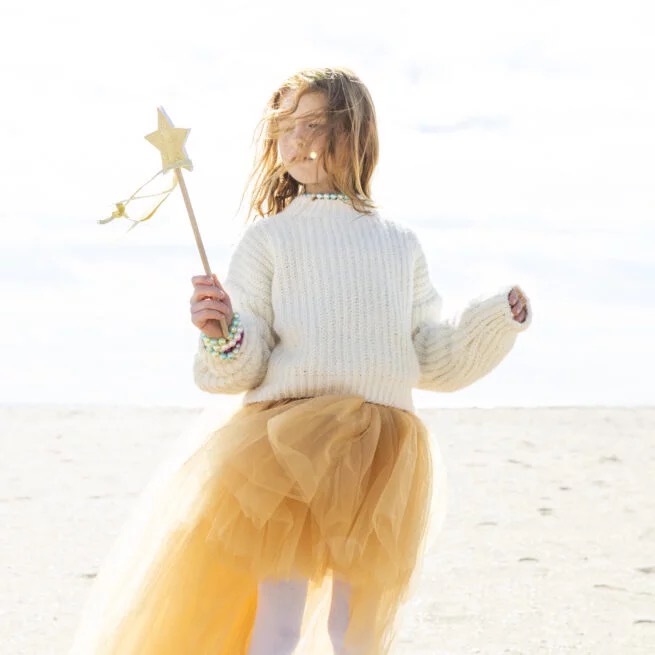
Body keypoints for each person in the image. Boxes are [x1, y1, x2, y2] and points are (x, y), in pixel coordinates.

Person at [70, 67, 531, 655]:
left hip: (380, 455)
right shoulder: (268, 240)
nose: (294, 139)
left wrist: (493, 319)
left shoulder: (399, 244)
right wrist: (224, 333)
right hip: (284, 450)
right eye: (285, 127)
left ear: (355, 133)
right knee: (280, 620)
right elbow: (248, 361)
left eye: (312, 124)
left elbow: (428, 357)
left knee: (356, 626)